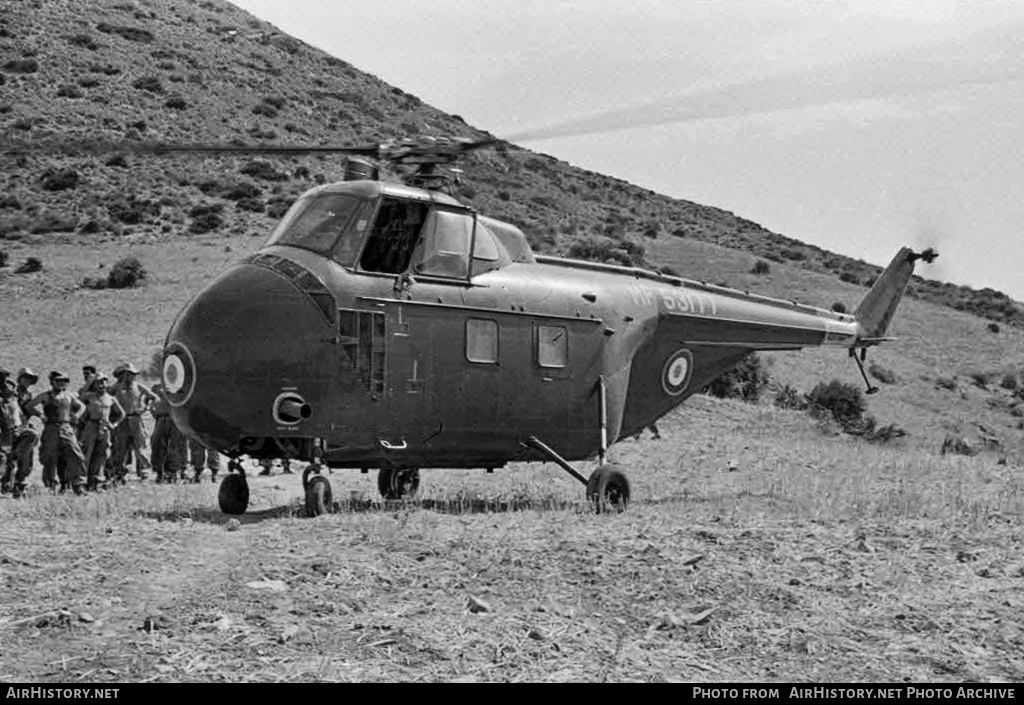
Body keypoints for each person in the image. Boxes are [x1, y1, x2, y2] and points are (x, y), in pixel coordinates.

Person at [29, 371, 86, 494]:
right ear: (52, 382)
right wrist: (40, 415)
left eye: (63, 381)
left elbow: (82, 406)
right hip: (51, 429)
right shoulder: (45, 395)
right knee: (50, 457)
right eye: (58, 381)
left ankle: (78, 485)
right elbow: (30, 405)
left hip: (66, 428)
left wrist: (76, 416)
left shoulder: (69, 396)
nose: (61, 383)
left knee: (75, 455)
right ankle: (51, 486)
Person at [79, 372, 125, 490]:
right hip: (91, 426)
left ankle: (95, 483)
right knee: (86, 454)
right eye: (98, 382)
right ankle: (81, 482)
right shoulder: (89, 396)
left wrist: (114, 424)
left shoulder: (111, 399)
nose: (101, 385)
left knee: (101, 455)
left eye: (103, 382)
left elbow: (122, 414)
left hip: (104, 428)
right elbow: (75, 402)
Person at [110, 363, 155, 483]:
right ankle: (119, 474)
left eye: (134, 374)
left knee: (140, 449)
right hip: (122, 422)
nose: (132, 376)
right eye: (129, 374)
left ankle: (145, 473)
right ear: (125, 375)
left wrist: (146, 407)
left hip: (136, 421)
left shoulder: (139, 386)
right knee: (121, 449)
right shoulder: (115, 387)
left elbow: (153, 397)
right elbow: (105, 398)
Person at [2, 368, 42, 497]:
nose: (28, 381)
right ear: (20, 379)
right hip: (8, 429)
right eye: (26, 378)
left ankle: (19, 485)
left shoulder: (27, 394)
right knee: (7, 457)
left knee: (25, 457)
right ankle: (7, 483)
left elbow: (23, 411)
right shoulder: (10, 391)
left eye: (30, 378)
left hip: (21, 427)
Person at [150, 383, 187, 483]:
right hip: (161, 419)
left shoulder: (179, 386)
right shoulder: (156, 387)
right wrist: (154, 413)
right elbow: (150, 400)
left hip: (176, 419)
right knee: (157, 444)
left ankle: (173, 473)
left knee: (176, 445)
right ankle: (159, 473)